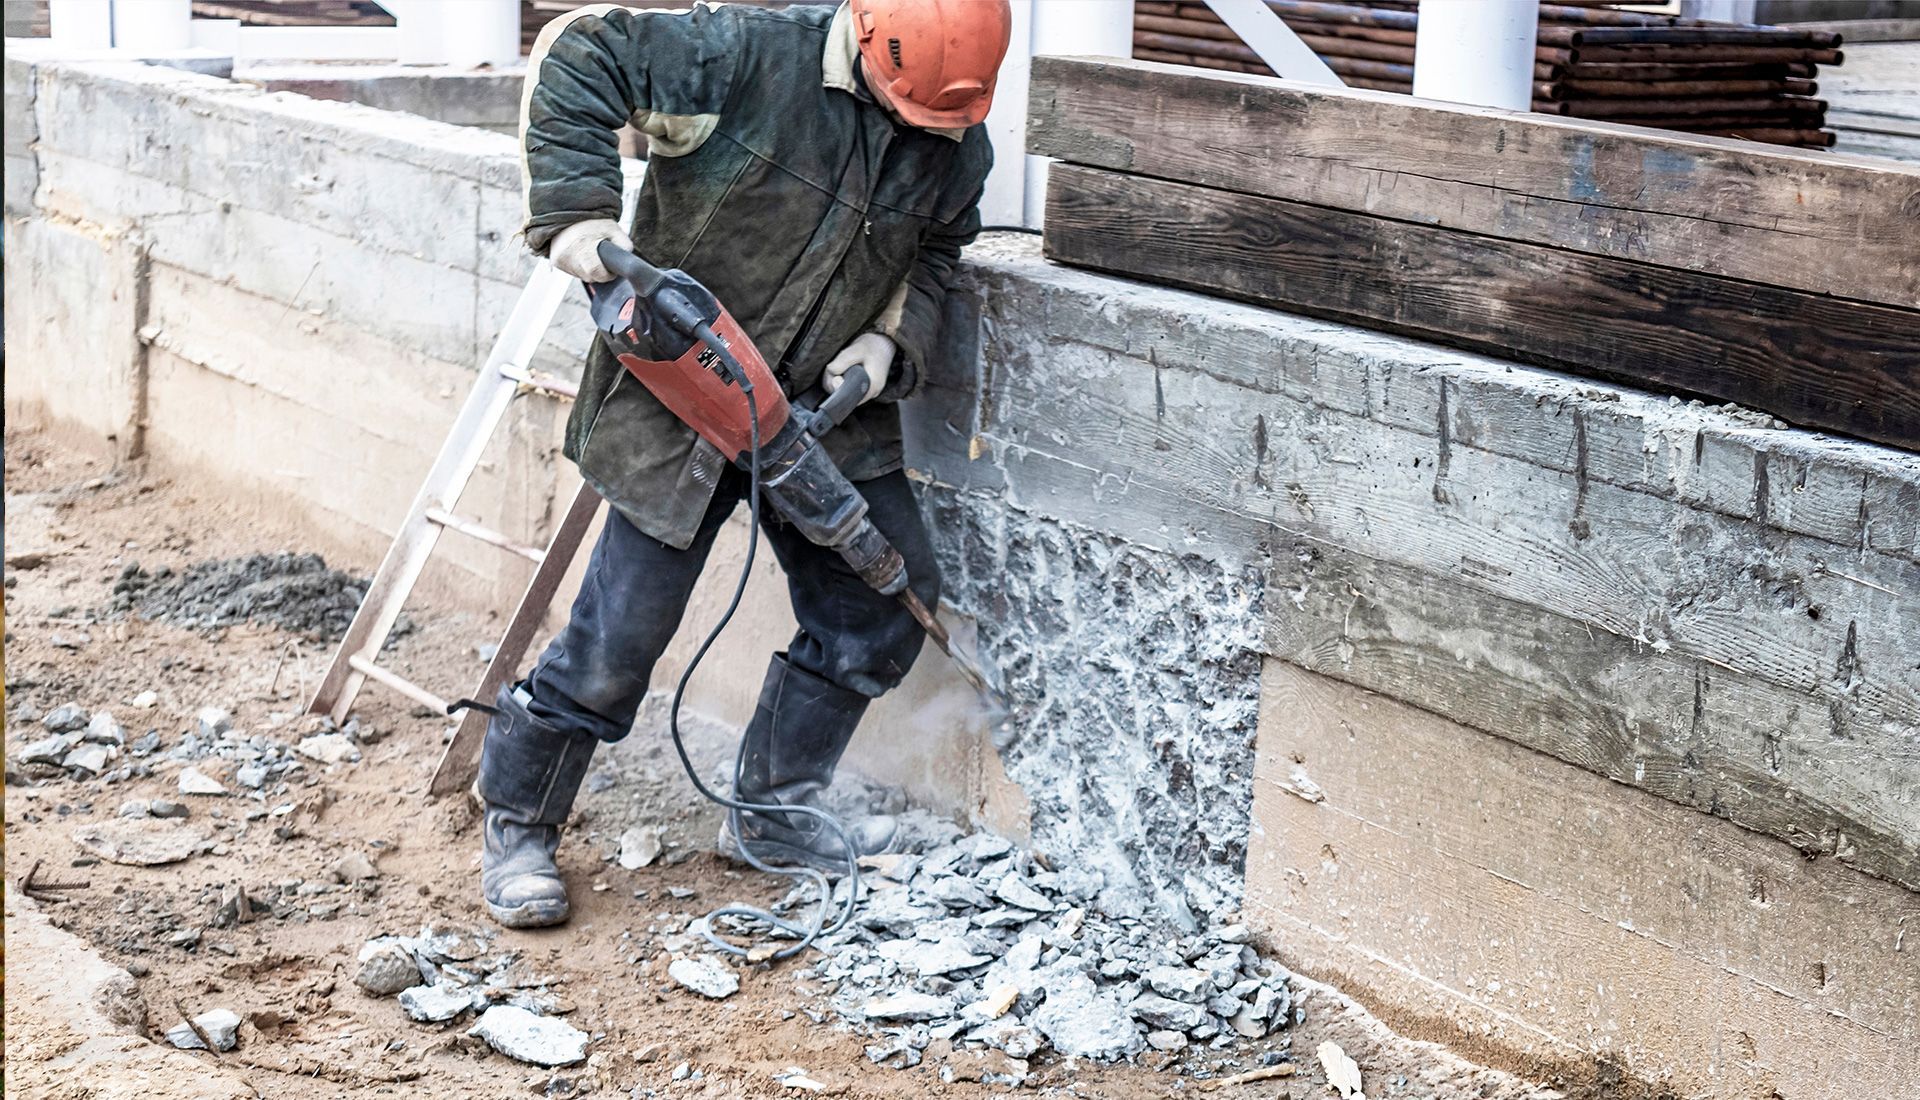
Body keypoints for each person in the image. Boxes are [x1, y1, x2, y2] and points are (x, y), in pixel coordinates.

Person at [479, 0, 1014, 928]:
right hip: (682, 389)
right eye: (901, 108)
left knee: (880, 601)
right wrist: (575, 221)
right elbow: (577, 49)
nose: (910, 133)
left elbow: (935, 252)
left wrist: (888, 344)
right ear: (869, 38)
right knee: (621, 640)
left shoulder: (952, 139)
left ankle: (772, 809)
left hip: (821, 410)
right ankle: (520, 823)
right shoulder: (740, 57)